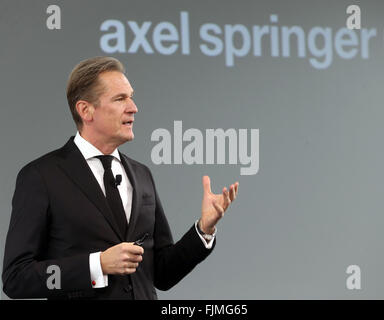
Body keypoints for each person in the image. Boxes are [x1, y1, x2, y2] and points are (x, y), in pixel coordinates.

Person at [2, 56, 239, 300]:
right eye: (120, 99)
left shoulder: (142, 174)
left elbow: (163, 273)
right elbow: (16, 278)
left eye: (131, 96)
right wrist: (97, 265)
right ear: (86, 110)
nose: (133, 107)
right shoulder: (42, 176)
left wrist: (203, 229)